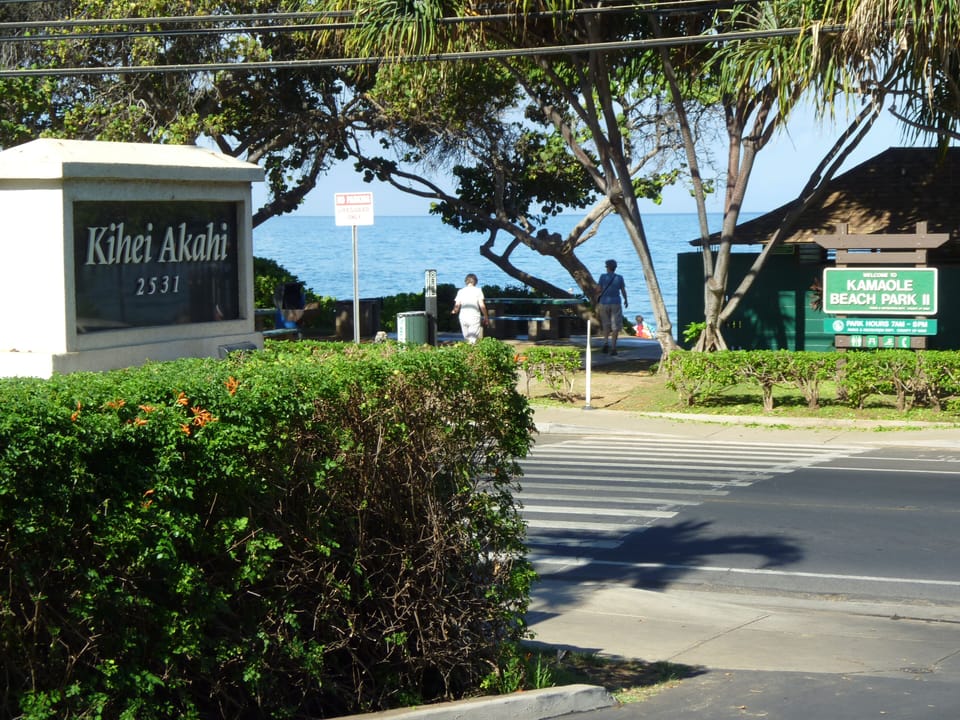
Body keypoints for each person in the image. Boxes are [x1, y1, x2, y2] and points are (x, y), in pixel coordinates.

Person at [595, 259, 628, 355]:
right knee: (615, 326)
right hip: (616, 303)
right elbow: (623, 290)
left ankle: (606, 343)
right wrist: (626, 300)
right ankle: (613, 347)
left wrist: (598, 292)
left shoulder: (602, 277)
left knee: (606, 324)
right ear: (615, 268)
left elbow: (598, 289)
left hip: (604, 303)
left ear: (607, 267)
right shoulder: (619, 278)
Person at [451, 273, 489, 344]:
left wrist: (454, 311)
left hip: (463, 316)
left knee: (466, 338)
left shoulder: (461, 291)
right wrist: (486, 317)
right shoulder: (478, 291)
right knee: (472, 339)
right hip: (474, 316)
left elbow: (457, 305)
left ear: (466, 281)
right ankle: (471, 350)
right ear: (475, 281)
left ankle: (467, 349)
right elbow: (481, 305)